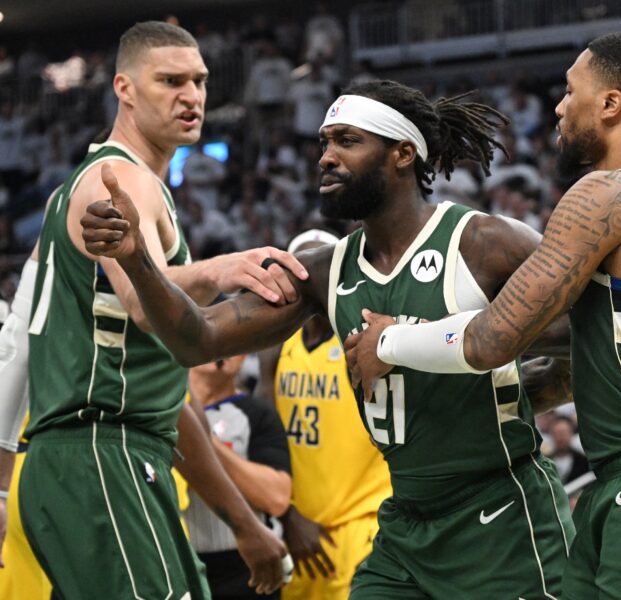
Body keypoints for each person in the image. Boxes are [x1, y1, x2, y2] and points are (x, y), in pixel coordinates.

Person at [81, 78, 576, 598]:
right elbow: (197, 340)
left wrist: (517, 390)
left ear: (403, 153)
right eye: (324, 142)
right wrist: (138, 259)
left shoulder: (486, 243)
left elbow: (591, 330)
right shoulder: (323, 272)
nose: (326, 157)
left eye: (347, 141)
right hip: (406, 523)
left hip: (501, 515)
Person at [345, 31, 621, 597]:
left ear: (611, 104)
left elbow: (494, 340)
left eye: (570, 92)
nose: (559, 107)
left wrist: (388, 343)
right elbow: (615, 352)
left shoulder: (607, 195)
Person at [18, 22, 304, 599]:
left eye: (198, 81)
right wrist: (218, 269)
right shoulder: (119, 179)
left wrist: (245, 525)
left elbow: (169, 405)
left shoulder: (130, 182)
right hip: (99, 453)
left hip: (105, 457)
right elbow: (144, 307)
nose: (192, 96)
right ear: (123, 88)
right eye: (170, 81)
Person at [256, 230, 392, 600]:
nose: (308, 275)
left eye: (321, 265)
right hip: (298, 528)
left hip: (361, 525)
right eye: (301, 265)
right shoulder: (276, 348)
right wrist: (287, 515)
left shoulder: (361, 338)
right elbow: (265, 440)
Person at [185, 354, 293, 600]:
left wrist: (200, 441)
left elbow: (277, 497)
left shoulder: (257, 414)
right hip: (180, 560)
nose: (219, 349)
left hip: (246, 568)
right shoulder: (156, 412)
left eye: (233, 343)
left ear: (244, 358)